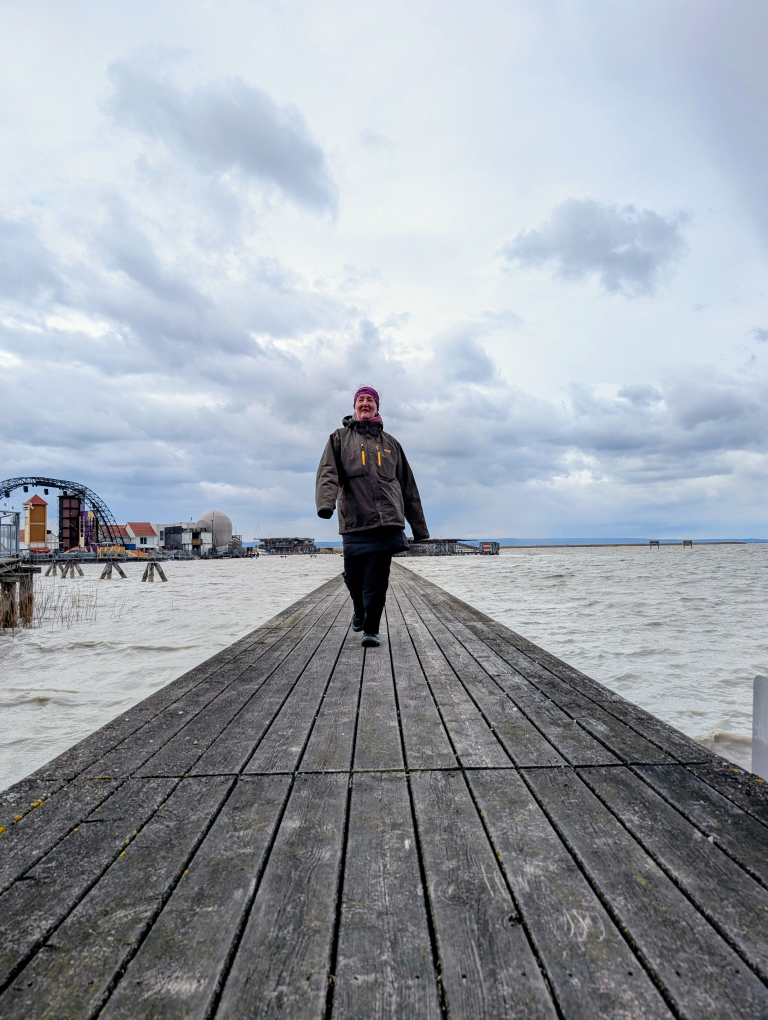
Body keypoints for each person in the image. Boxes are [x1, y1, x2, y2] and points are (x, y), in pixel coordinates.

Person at [316, 386, 429, 647]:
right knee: (353, 577)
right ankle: (359, 609)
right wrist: (326, 504)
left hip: (387, 520)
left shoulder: (391, 444)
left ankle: (371, 629)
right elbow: (328, 473)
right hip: (354, 519)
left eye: (370, 400)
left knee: (377, 580)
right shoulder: (339, 438)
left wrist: (419, 529)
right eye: (361, 400)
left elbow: (408, 486)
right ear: (354, 406)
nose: (365, 404)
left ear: (377, 407)